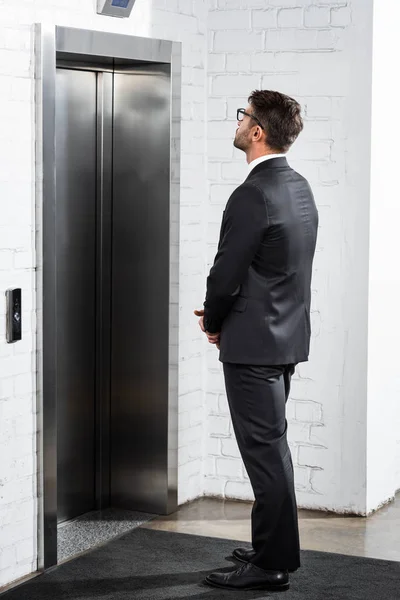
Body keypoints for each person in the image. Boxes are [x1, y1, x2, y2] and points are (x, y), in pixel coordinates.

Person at [194, 89, 318, 592]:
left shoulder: (253, 193)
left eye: (244, 115)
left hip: (253, 346)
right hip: (284, 337)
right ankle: (272, 547)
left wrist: (214, 320)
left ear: (258, 132)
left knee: (265, 455)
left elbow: (227, 272)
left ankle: (271, 565)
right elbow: (282, 269)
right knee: (272, 449)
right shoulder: (299, 186)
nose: (240, 121)